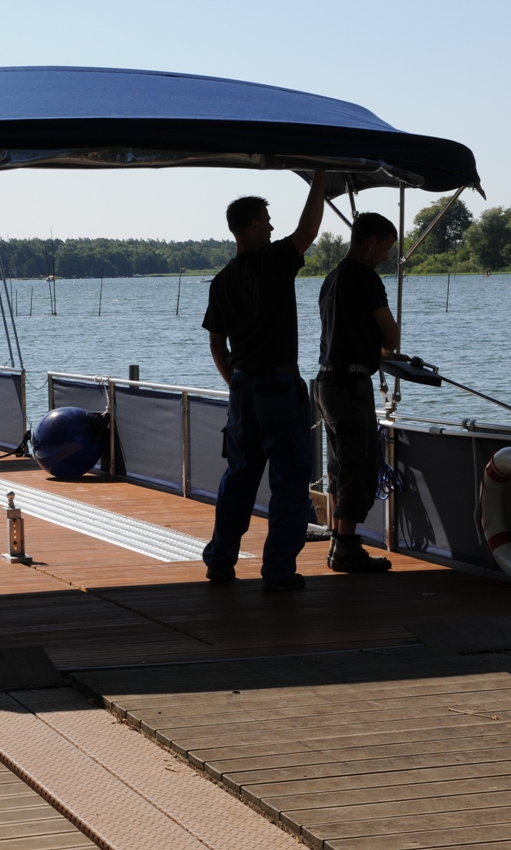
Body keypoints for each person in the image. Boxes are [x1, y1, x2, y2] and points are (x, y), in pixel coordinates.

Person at [201, 171, 327, 591]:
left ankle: (220, 561)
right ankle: (277, 571)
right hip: (278, 388)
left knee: (238, 477)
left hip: (244, 389)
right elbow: (308, 230)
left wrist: (235, 382)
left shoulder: (221, 281)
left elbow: (217, 344)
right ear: (253, 225)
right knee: (289, 481)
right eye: (268, 221)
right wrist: (320, 176)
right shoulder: (273, 262)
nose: (273, 228)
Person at [314, 212, 401, 572]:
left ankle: (337, 540)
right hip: (351, 384)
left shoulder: (331, 278)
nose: (385, 256)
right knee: (359, 466)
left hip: (324, 382)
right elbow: (391, 338)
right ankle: (347, 548)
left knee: (337, 466)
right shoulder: (365, 277)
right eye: (385, 248)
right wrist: (379, 349)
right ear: (370, 242)